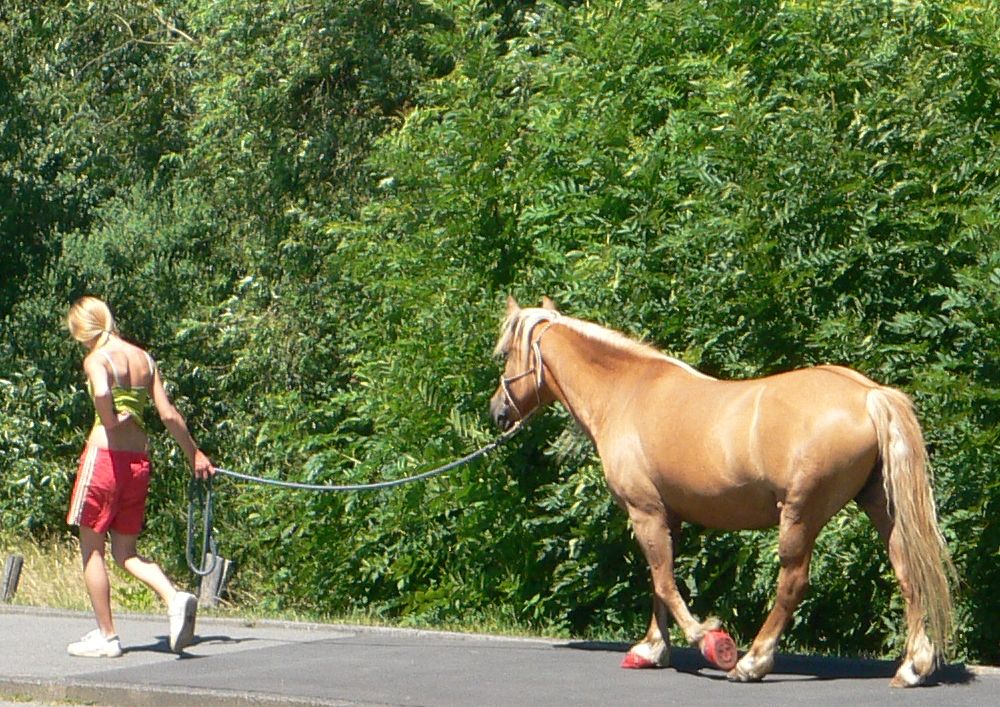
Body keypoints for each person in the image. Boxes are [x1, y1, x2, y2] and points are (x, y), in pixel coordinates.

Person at [64, 296, 214, 657]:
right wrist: (194, 453)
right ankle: (174, 597)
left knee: (91, 548)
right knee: (126, 551)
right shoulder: (144, 358)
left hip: (104, 459)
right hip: (137, 463)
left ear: (84, 331)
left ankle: (107, 636)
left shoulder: (96, 359)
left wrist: (110, 417)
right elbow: (168, 414)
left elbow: (102, 390)